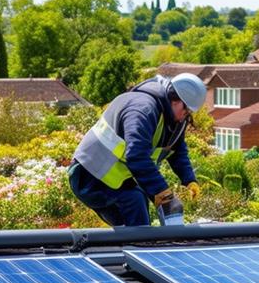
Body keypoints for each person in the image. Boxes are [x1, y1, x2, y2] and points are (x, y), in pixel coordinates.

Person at [69, 73, 207, 227]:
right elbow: (137, 156)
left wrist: (189, 179)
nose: (184, 118)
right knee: (134, 204)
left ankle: (135, 245)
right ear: (175, 99)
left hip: (117, 179)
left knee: (137, 209)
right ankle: (138, 247)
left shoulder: (173, 119)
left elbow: (177, 150)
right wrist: (164, 195)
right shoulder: (142, 110)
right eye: (185, 111)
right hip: (90, 176)